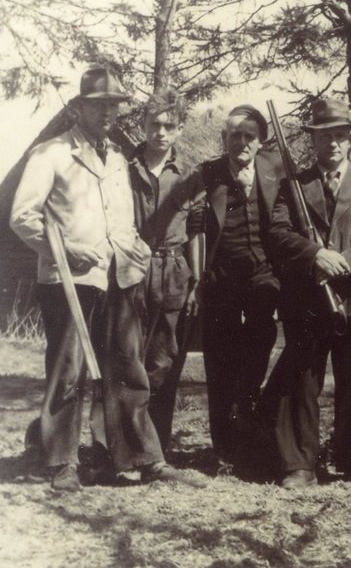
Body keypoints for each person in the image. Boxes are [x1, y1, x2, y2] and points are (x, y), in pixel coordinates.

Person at [10, 67, 200, 490]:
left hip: (118, 278)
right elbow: (22, 217)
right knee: (69, 370)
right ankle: (61, 462)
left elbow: (122, 219)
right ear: (80, 107)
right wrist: (67, 250)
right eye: (100, 105)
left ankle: (142, 458)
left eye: (115, 105)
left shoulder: (116, 158)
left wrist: (135, 248)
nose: (109, 113)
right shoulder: (51, 154)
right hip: (69, 280)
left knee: (127, 368)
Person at [265, 98, 351, 487]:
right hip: (307, 298)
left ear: (350, 140)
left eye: (340, 136)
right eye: (325, 136)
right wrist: (315, 255)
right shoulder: (294, 186)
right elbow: (278, 233)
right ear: (314, 140)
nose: (333, 143)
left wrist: (344, 262)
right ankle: (299, 464)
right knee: (302, 381)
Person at [197, 104, 283, 467]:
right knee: (219, 358)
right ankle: (224, 448)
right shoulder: (207, 173)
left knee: (260, 340)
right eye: (235, 135)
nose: (242, 142)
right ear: (224, 138)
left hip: (264, 272)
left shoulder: (277, 169)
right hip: (221, 276)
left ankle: (247, 415)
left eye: (250, 136)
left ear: (261, 142)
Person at [127, 88, 205, 452]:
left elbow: (197, 230)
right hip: (131, 268)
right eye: (154, 124)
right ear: (143, 125)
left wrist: (197, 281)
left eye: (169, 126)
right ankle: (120, 447)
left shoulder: (189, 174)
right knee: (127, 357)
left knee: (162, 361)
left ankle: (155, 449)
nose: (160, 132)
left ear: (180, 129)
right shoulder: (123, 168)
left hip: (173, 272)